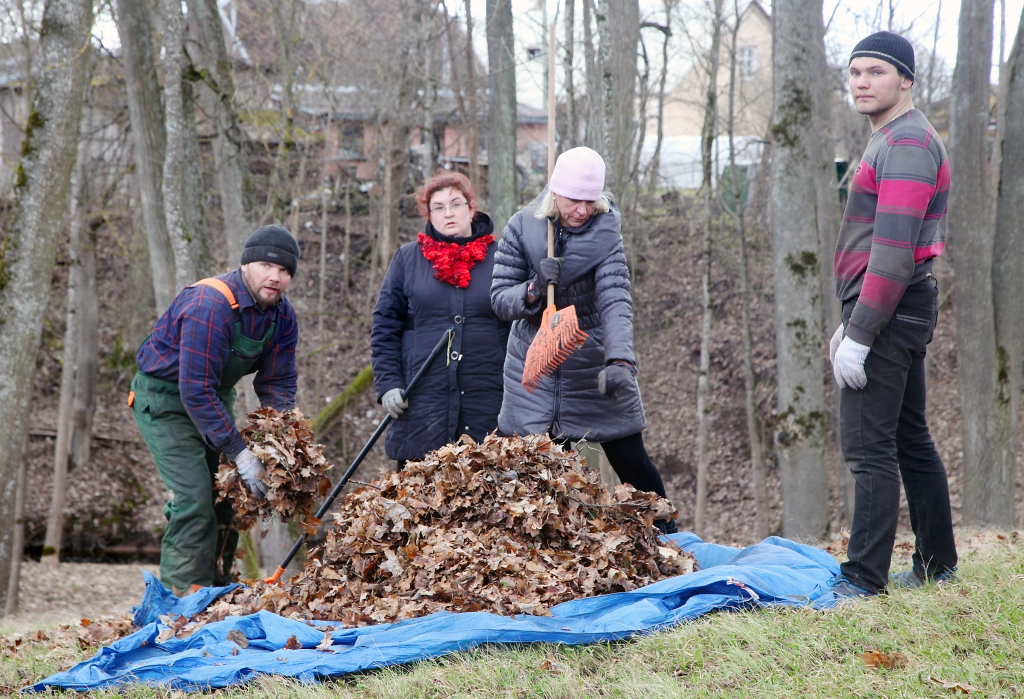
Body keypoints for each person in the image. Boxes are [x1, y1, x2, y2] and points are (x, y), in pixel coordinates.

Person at [829, 31, 956, 598]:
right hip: (896, 305)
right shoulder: (896, 136)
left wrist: (861, 331)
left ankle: (862, 580)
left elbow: (893, 250)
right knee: (908, 435)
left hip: (890, 305)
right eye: (855, 71)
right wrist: (852, 314)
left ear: (906, 79)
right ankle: (937, 563)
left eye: (876, 71)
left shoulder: (904, 144)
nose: (861, 81)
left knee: (868, 445)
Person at [490, 146, 676, 534]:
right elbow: (499, 301)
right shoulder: (522, 227)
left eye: (590, 201)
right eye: (574, 199)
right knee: (543, 478)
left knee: (633, 462)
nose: (582, 209)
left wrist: (620, 361)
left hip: (591, 366)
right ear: (555, 193)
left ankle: (668, 536)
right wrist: (534, 288)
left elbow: (615, 301)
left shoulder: (607, 234)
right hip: (536, 370)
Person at [130, 225, 300, 596]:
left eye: (285, 271)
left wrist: (279, 445)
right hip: (165, 399)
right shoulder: (211, 303)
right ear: (245, 265)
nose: (275, 277)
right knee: (194, 497)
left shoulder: (282, 318)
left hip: (213, 398)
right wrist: (239, 452)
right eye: (266, 265)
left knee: (227, 499)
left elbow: (278, 385)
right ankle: (181, 603)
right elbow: (193, 388)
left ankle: (216, 595)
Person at [371, 171, 510, 466]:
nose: (448, 213)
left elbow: (520, 325)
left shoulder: (503, 257)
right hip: (422, 407)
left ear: (471, 208)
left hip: (488, 405)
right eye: (439, 207)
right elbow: (384, 327)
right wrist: (388, 385)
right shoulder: (407, 259)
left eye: (456, 204)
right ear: (428, 214)